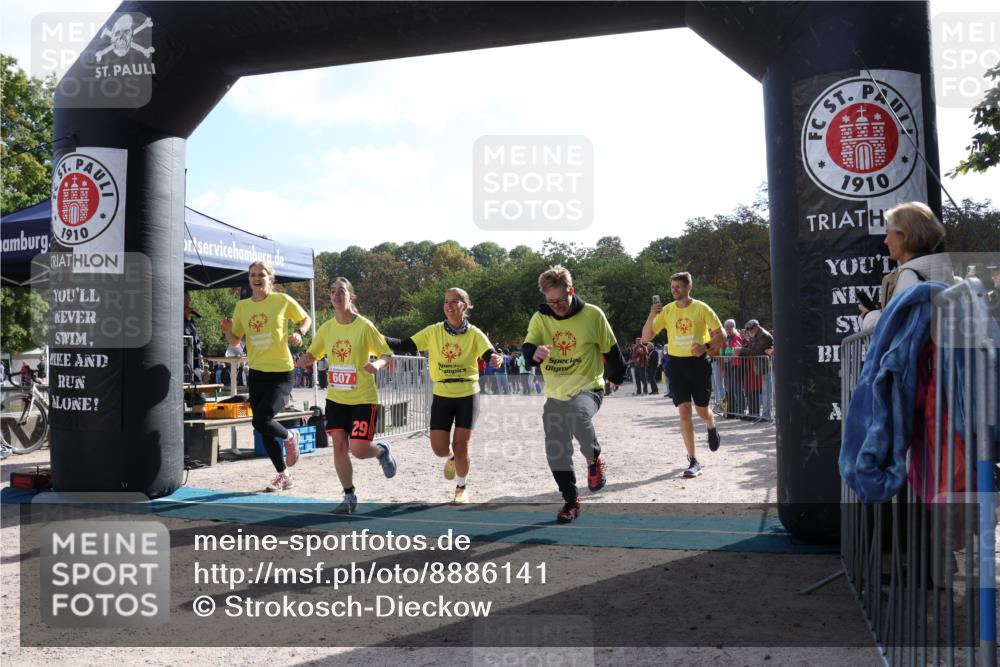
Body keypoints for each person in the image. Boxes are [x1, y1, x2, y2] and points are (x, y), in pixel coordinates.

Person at [522, 265, 626, 524]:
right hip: (556, 393)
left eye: (561, 300)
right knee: (556, 451)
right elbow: (528, 349)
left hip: (588, 388)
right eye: (551, 301)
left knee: (577, 413)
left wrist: (615, 378)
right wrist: (534, 354)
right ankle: (571, 501)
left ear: (571, 290)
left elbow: (613, 353)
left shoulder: (593, 315)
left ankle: (594, 458)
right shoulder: (540, 318)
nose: (556, 306)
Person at [385, 287, 502, 503]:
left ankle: (461, 487)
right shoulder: (434, 331)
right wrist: (376, 335)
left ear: (464, 306)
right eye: (446, 301)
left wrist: (495, 359)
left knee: (461, 445)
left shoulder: (474, 333)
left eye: (454, 301)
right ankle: (452, 457)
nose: (448, 306)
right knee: (439, 449)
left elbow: (490, 353)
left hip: (468, 393)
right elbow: (405, 345)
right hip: (442, 394)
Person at [295, 277, 396, 513]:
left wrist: (377, 365)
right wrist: (302, 360)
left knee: (359, 450)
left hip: (362, 398)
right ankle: (349, 496)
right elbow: (313, 354)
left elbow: (386, 354)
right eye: (332, 291)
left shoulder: (364, 326)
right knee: (339, 446)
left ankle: (382, 450)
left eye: (341, 291)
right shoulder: (327, 328)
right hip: (336, 398)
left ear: (351, 295)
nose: (336, 295)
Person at [221, 260, 311, 492]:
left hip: (281, 372)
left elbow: (306, 319)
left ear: (270, 278)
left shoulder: (281, 300)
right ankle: (284, 475)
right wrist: (228, 331)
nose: (256, 278)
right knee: (263, 426)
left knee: (261, 420)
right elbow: (236, 343)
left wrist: (299, 333)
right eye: (252, 275)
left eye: (261, 274)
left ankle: (290, 436)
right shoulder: (242, 307)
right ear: (249, 279)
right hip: (257, 374)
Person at [642, 271, 724, 478]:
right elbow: (646, 338)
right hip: (676, 365)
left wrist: (705, 346)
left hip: (698, 364)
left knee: (702, 411)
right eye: (672, 287)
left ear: (689, 287)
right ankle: (693, 460)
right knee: (684, 412)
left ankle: (711, 425)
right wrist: (652, 314)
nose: (674, 290)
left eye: (678, 286)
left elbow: (721, 334)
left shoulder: (701, 308)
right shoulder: (667, 311)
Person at [859, 202, 953, 333]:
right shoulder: (947, 274)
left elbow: (895, 330)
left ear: (903, 235)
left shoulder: (908, 277)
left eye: (888, 233)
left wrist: (869, 317)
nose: (886, 241)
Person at [735, 319, 774, 419]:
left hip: (766, 366)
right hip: (761, 366)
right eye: (748, 329)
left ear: (756, 326)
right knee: (765, 391)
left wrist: (741, 350)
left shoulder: (763, 335)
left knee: (766, 392)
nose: (749, 331)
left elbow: (755, 352)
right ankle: (763, 414)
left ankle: (766, 415)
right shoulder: (756, 335)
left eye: (750, 328)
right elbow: (752, 349)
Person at [183, 291, 204, 383]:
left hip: (196, 362)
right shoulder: (179, 321)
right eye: (186, 299)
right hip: (186, 363)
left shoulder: (191, 322)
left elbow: (196, 341)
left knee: (197, 385)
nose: (189, 301)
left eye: (189, 299)